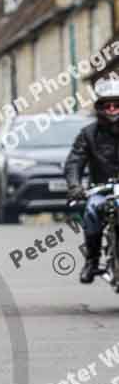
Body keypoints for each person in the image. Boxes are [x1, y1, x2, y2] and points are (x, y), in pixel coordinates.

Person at [65, 81, 119, 283]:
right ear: (100, 108)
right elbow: (74, 162)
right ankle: (92, 261)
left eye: (116, 105)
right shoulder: (88, 134)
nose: (112, 110)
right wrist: (74, 185)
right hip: (101, 190)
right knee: (91, 211)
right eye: (107, 106)